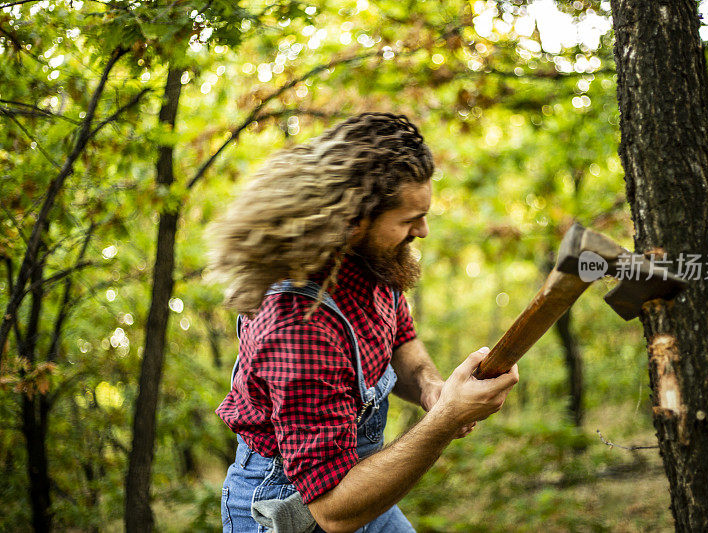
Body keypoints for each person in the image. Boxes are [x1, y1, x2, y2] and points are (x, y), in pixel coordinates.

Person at [207, 112, 519, 533]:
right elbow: (332, 511)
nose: (423, 230)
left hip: (361, 479)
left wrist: (432, 389)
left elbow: (400, 337)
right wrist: (444, 419)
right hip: (291, 506)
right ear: (354, 219)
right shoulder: (299, 324)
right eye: (409, 220)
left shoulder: (373, 259)